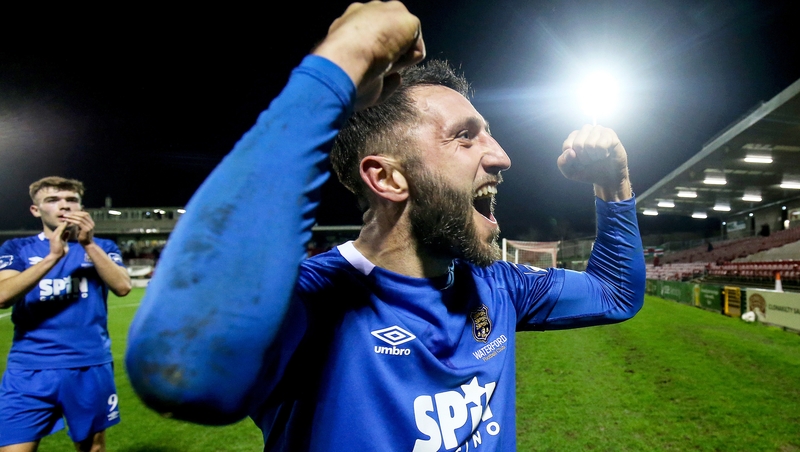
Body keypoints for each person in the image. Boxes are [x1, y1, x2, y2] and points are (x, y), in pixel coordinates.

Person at [125, 1, 645, 450]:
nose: (502, 157)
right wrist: (338, 64)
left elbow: (616, 293)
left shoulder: (496, 286)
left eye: (489, 135)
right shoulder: (315, 303)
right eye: (465, 138)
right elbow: (179, 371)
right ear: (388, 178)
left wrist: (612, 183)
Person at [0, 176, 132, 452]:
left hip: (88, 364)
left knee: (92, 449)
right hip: (29, 368)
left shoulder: (103, 247)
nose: (64, 205)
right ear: (36, 210)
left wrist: (89, 244)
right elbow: (2, 296)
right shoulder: (16, 248)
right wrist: (52, 257)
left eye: (71, 200)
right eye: (53, 200)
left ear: (82, 207)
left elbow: (122, 286)